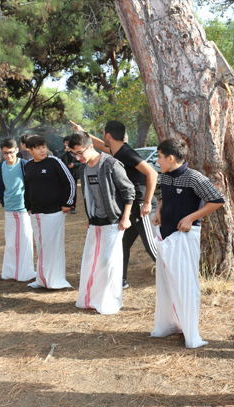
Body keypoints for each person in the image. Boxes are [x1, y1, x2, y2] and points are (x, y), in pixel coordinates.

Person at [151, 139, 224, 348]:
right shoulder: (165, 176)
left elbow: (217, 200)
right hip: (166, 236)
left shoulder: (194, 177)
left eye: (159, 156)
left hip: (185, 237)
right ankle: (170, 324)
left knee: (185, 283)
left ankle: (191, 332)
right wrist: (158, 211)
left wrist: (191, 218)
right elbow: (164, 198)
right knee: (166, 282)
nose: (157, 160)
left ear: (170, 158)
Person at [71, 120, 159, 289]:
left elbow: (152, 174)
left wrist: (147, 202)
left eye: (103, 132)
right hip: (131, 206)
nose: (102, 136)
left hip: (142, 206)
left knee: (153, 248)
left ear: (108, 135)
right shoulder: (116, 150)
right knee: (122, 245)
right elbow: (98, 145)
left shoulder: (125, 152)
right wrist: (83, 132)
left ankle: (175, 279)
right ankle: (121, 280)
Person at [69, 131, 135, 314]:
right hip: (95, 221)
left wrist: (125, 217)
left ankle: (109, 301)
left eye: (80, 152)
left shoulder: (111, 164)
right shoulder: (83, 168)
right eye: (74, 154)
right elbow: (89, 195)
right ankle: (91, 298)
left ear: (91, 146)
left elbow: (129, 191)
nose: (78, 157)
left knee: (108, 262)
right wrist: (90, 218)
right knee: (91, 260)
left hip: (114, 221)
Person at [23, 135, 76, 289]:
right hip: (36, 213)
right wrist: (28, 206)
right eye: (38, 148)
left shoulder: (54, 162)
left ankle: (55, 281)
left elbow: (69, 181)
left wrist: (68, 203)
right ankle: (42, 279)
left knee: (52, 247)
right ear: (30, 150)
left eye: (44, 147)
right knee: (41, 246)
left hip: (53, 212)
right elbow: (27, 188)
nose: (42, 150)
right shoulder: (28, 166)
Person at [0, 138, 37, 282]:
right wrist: (3, 202)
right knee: (11, 241)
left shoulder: (24, 164)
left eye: (11, 152)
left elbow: (30, 186)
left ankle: (25, 272)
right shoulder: (0, 167)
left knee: (25, 240)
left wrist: (30, 205)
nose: (9, 156)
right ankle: (10, 271)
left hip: (23, 208)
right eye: (5, 153)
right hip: (9, 208)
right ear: (2, 152)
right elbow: (1, 188)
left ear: (17, 151)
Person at [59, 135, 81, 214]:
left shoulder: (75, 151)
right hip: (63, 174)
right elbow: (58, 159)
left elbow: (80, 162)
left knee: (73, 190)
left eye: (69, 143)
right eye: (66, 143)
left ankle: (73, 206)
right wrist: (65, 152)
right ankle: (64, 204)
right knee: (63, 189)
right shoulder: (61, 151)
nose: (67, 145)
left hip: (73, 173)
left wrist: (74, 165)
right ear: (64, 143)